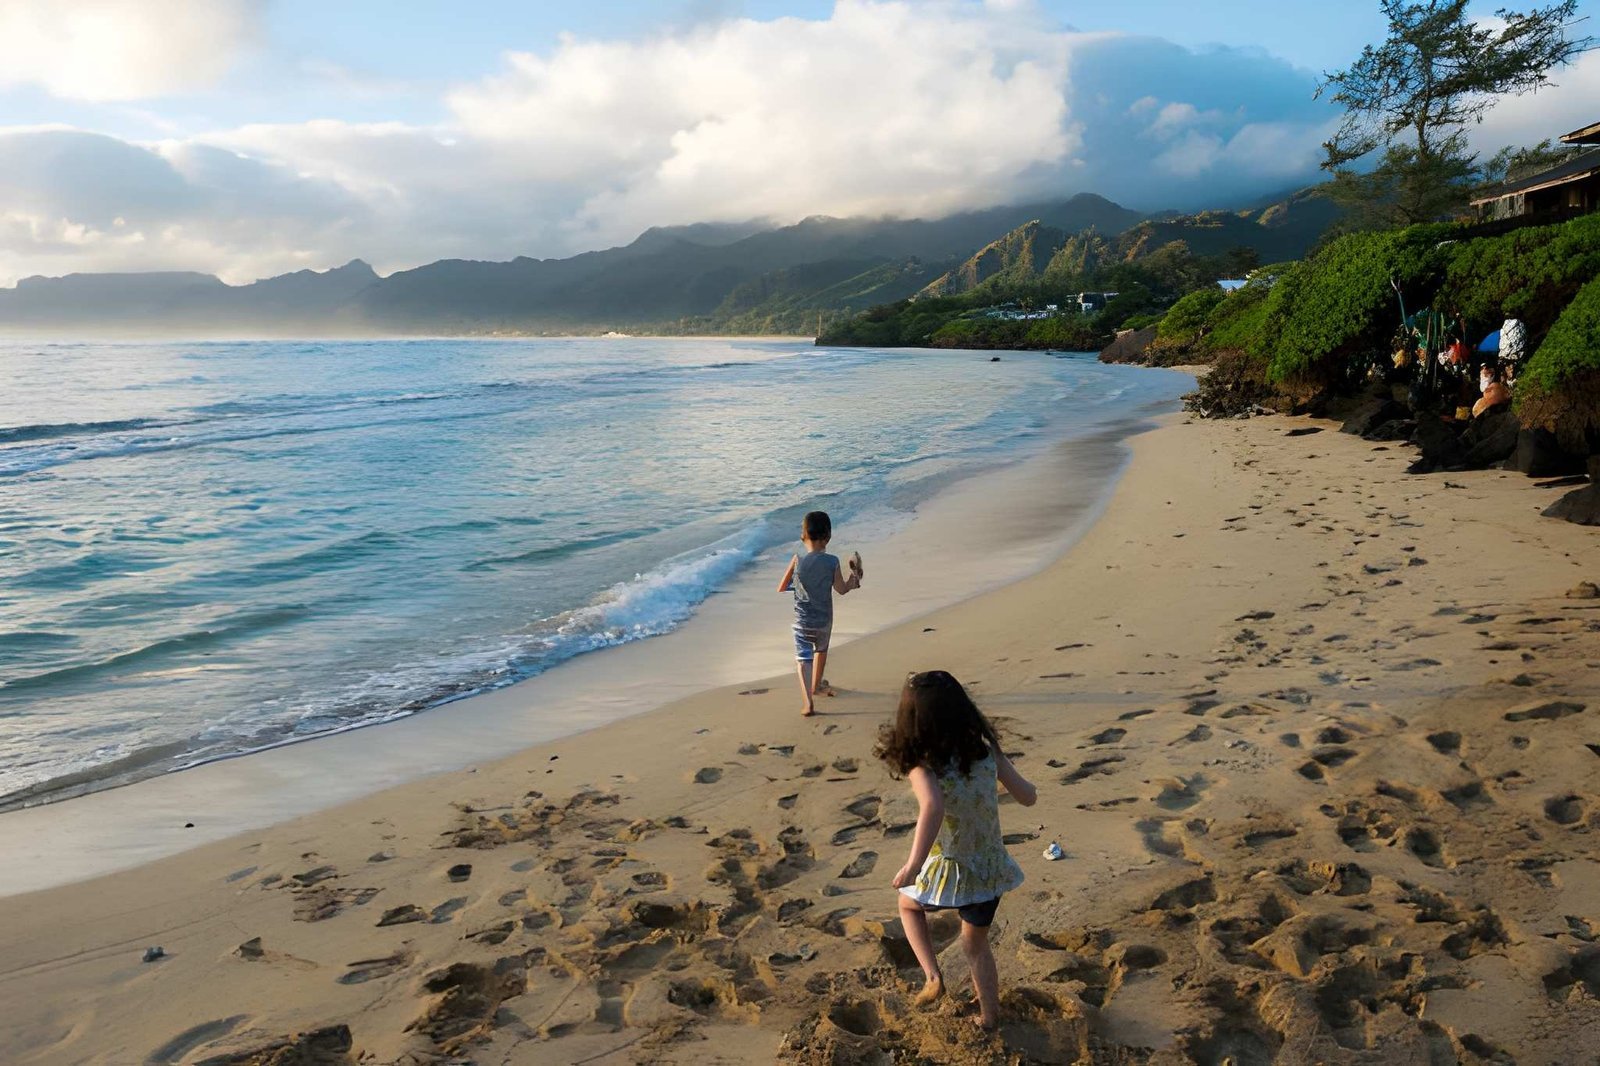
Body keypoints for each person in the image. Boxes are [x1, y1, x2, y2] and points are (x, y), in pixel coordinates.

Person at [874, 670, 1036, 1031]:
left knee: (907, 903)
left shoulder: (923, 763)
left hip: (952, 869)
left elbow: (932, 807)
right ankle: (990, 1017)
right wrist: (1029, 792)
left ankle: (933, 977)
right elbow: (1025, 794)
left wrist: (914, 865)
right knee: (975, 946)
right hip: (991, 868)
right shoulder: (983, 748)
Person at [776, 511, 861, 716]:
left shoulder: (797, 561)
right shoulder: (832, 562)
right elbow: (840, 589)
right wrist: (852, 582)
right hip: (824, 621)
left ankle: (807, 703)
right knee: (820, 651)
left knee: (803, 659)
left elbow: (782, 587)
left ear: (802, 536)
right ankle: (817, 686)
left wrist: (799, 581)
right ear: (828, 537)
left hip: (802, 623)